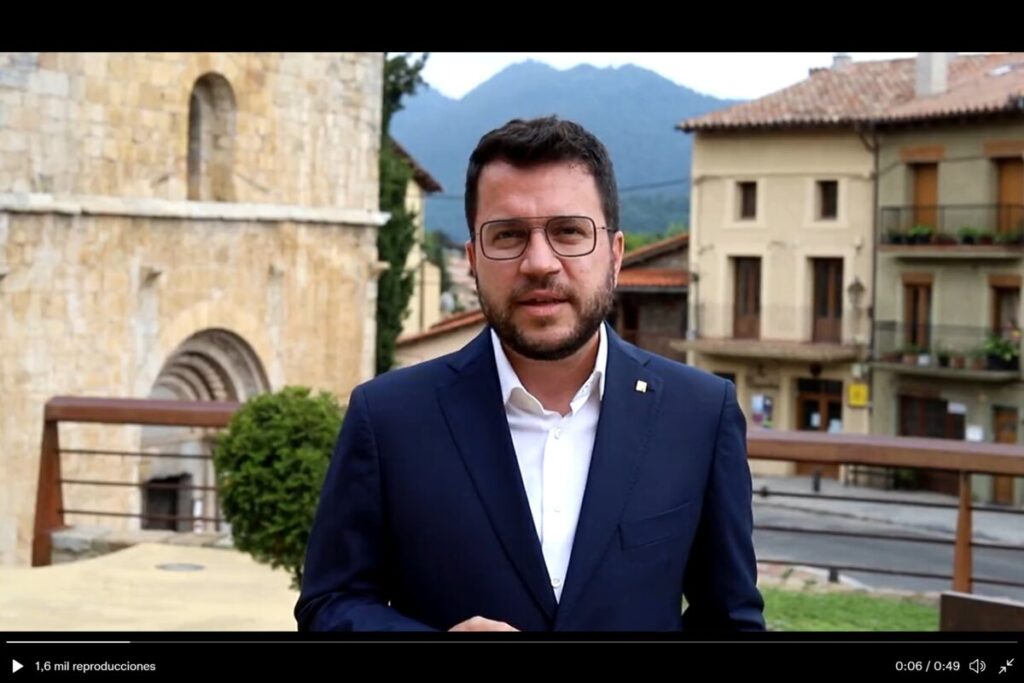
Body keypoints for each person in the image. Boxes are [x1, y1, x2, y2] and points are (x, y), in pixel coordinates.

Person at [295, 115, 765, 632]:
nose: (539, 262)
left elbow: (730, 618)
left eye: (568, 231)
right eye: (508, 235)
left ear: (615, 254)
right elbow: (329, 603)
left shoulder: (699, 413)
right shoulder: (387, 417)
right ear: (473, 259)